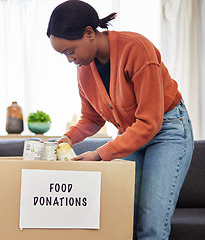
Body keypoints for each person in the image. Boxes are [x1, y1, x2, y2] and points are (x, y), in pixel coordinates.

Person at [47, 0, 194, 239]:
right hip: (130, 135)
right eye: (64, 54)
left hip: (167, 130)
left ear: (89, 33)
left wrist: (100, 154)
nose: (69, 60)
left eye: (70, 51)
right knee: (120, 217)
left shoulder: (136, 48)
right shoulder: (85, 68)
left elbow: (149, 123)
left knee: (151, 226)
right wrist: (68, 138)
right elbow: (92, 118)